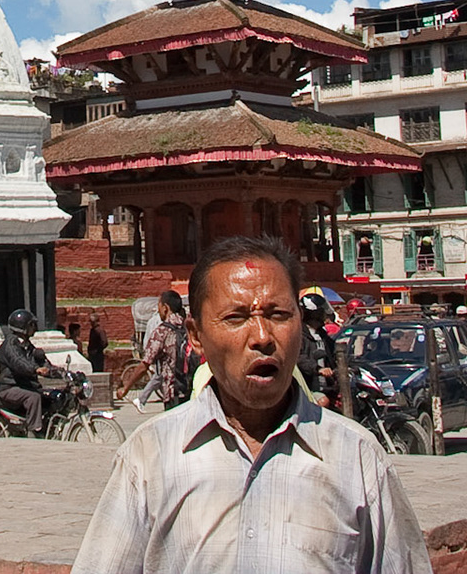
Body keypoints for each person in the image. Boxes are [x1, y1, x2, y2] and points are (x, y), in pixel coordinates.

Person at [71, 235, 431, 574]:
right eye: (236, 318)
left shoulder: (358, 458)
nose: (262, 338)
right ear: (196, 337)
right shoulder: (149, 457)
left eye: (278, 315)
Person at [118, 290, 186, 413]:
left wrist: (126, 388)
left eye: (159, 306)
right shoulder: (189, 327)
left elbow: (144, 365)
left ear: (165, 308)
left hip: (173, 392)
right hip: (191, 391)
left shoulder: (162, 332)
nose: (158, 310)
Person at [0, 309, 53, 436]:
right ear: (23, 327)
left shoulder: (28, 346)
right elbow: (18, 361)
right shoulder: (10, 344)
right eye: (31, 325)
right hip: (9, 387)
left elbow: (40, 361)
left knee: (50, 396)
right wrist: (35, 369)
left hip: (24, 385)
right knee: (33, 397)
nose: (34, 328)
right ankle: (34, 431)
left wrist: (57, 371)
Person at [295, 290, 338, 407]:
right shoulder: (299, 335)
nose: (324, 314)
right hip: (307, 387)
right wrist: (318, 369)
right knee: (323, 402)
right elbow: (299, 358)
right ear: (313, 313)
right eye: (321, 311)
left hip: (328, 386)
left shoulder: (323, 335)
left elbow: (334, 356)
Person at [85, 311, 108, 375]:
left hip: (97, 356)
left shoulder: (99, 331)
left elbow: (105, 342)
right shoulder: (93, 330)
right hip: (92, 355)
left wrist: (97, 350)